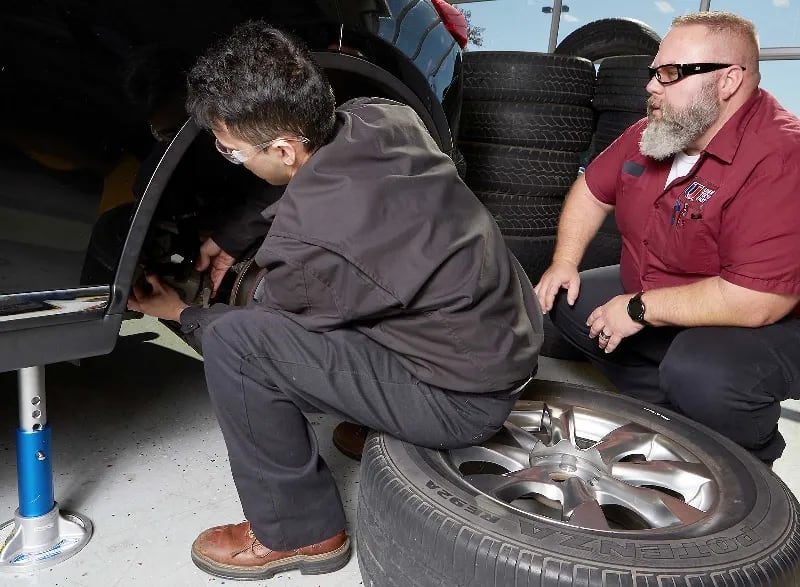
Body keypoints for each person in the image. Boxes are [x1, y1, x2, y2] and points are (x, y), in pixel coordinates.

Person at [127, 20, 541, 581]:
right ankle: (384, 417)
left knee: (235, 343)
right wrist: (232, 234)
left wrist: (183, 313)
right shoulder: (383, 117)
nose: (229, 157)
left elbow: (272, 338)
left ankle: (297, 532)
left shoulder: (307, 249)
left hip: (464, 401)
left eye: (229, 149)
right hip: (501, 343)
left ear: (281, 147)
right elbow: (311, 188)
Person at [535, 11, 800, 466]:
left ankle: (749, 465)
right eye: (653, 73)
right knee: (567, 299)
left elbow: (759, 301)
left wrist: (639, 308)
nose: (651, 86)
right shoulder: (653, 135)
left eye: (671, 73)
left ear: (728, 81)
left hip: (768, 316)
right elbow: (591, 191)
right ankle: (671, 417)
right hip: (670, 290)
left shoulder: (780, 155)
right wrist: (564, 261)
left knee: (703, 373)